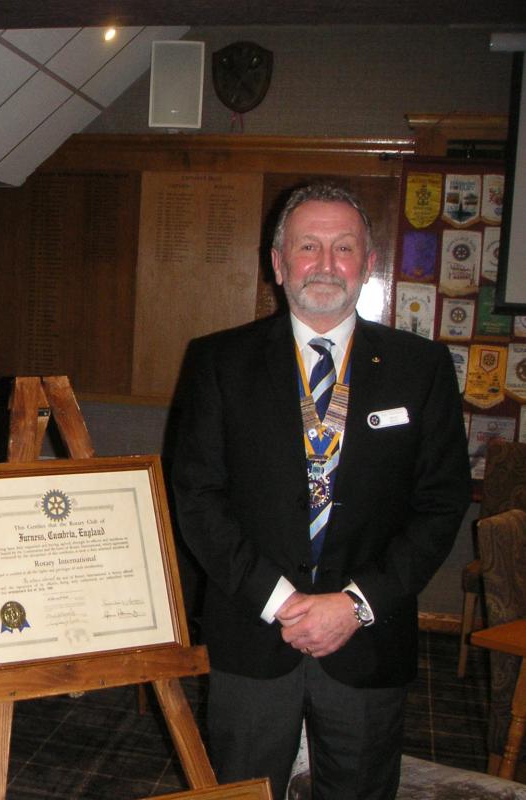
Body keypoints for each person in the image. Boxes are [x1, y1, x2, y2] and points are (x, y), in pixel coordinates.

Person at [171, 183, 471, 799]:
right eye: (309, 246)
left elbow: (440, 505)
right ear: (278, 263)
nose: (326, 264)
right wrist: (279, 600)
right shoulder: (218, 362)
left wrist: (355, 604)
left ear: (368, 263)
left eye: (343, 247)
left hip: (369, 640)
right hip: (254, 636)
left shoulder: (422, 368)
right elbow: (198, 498)